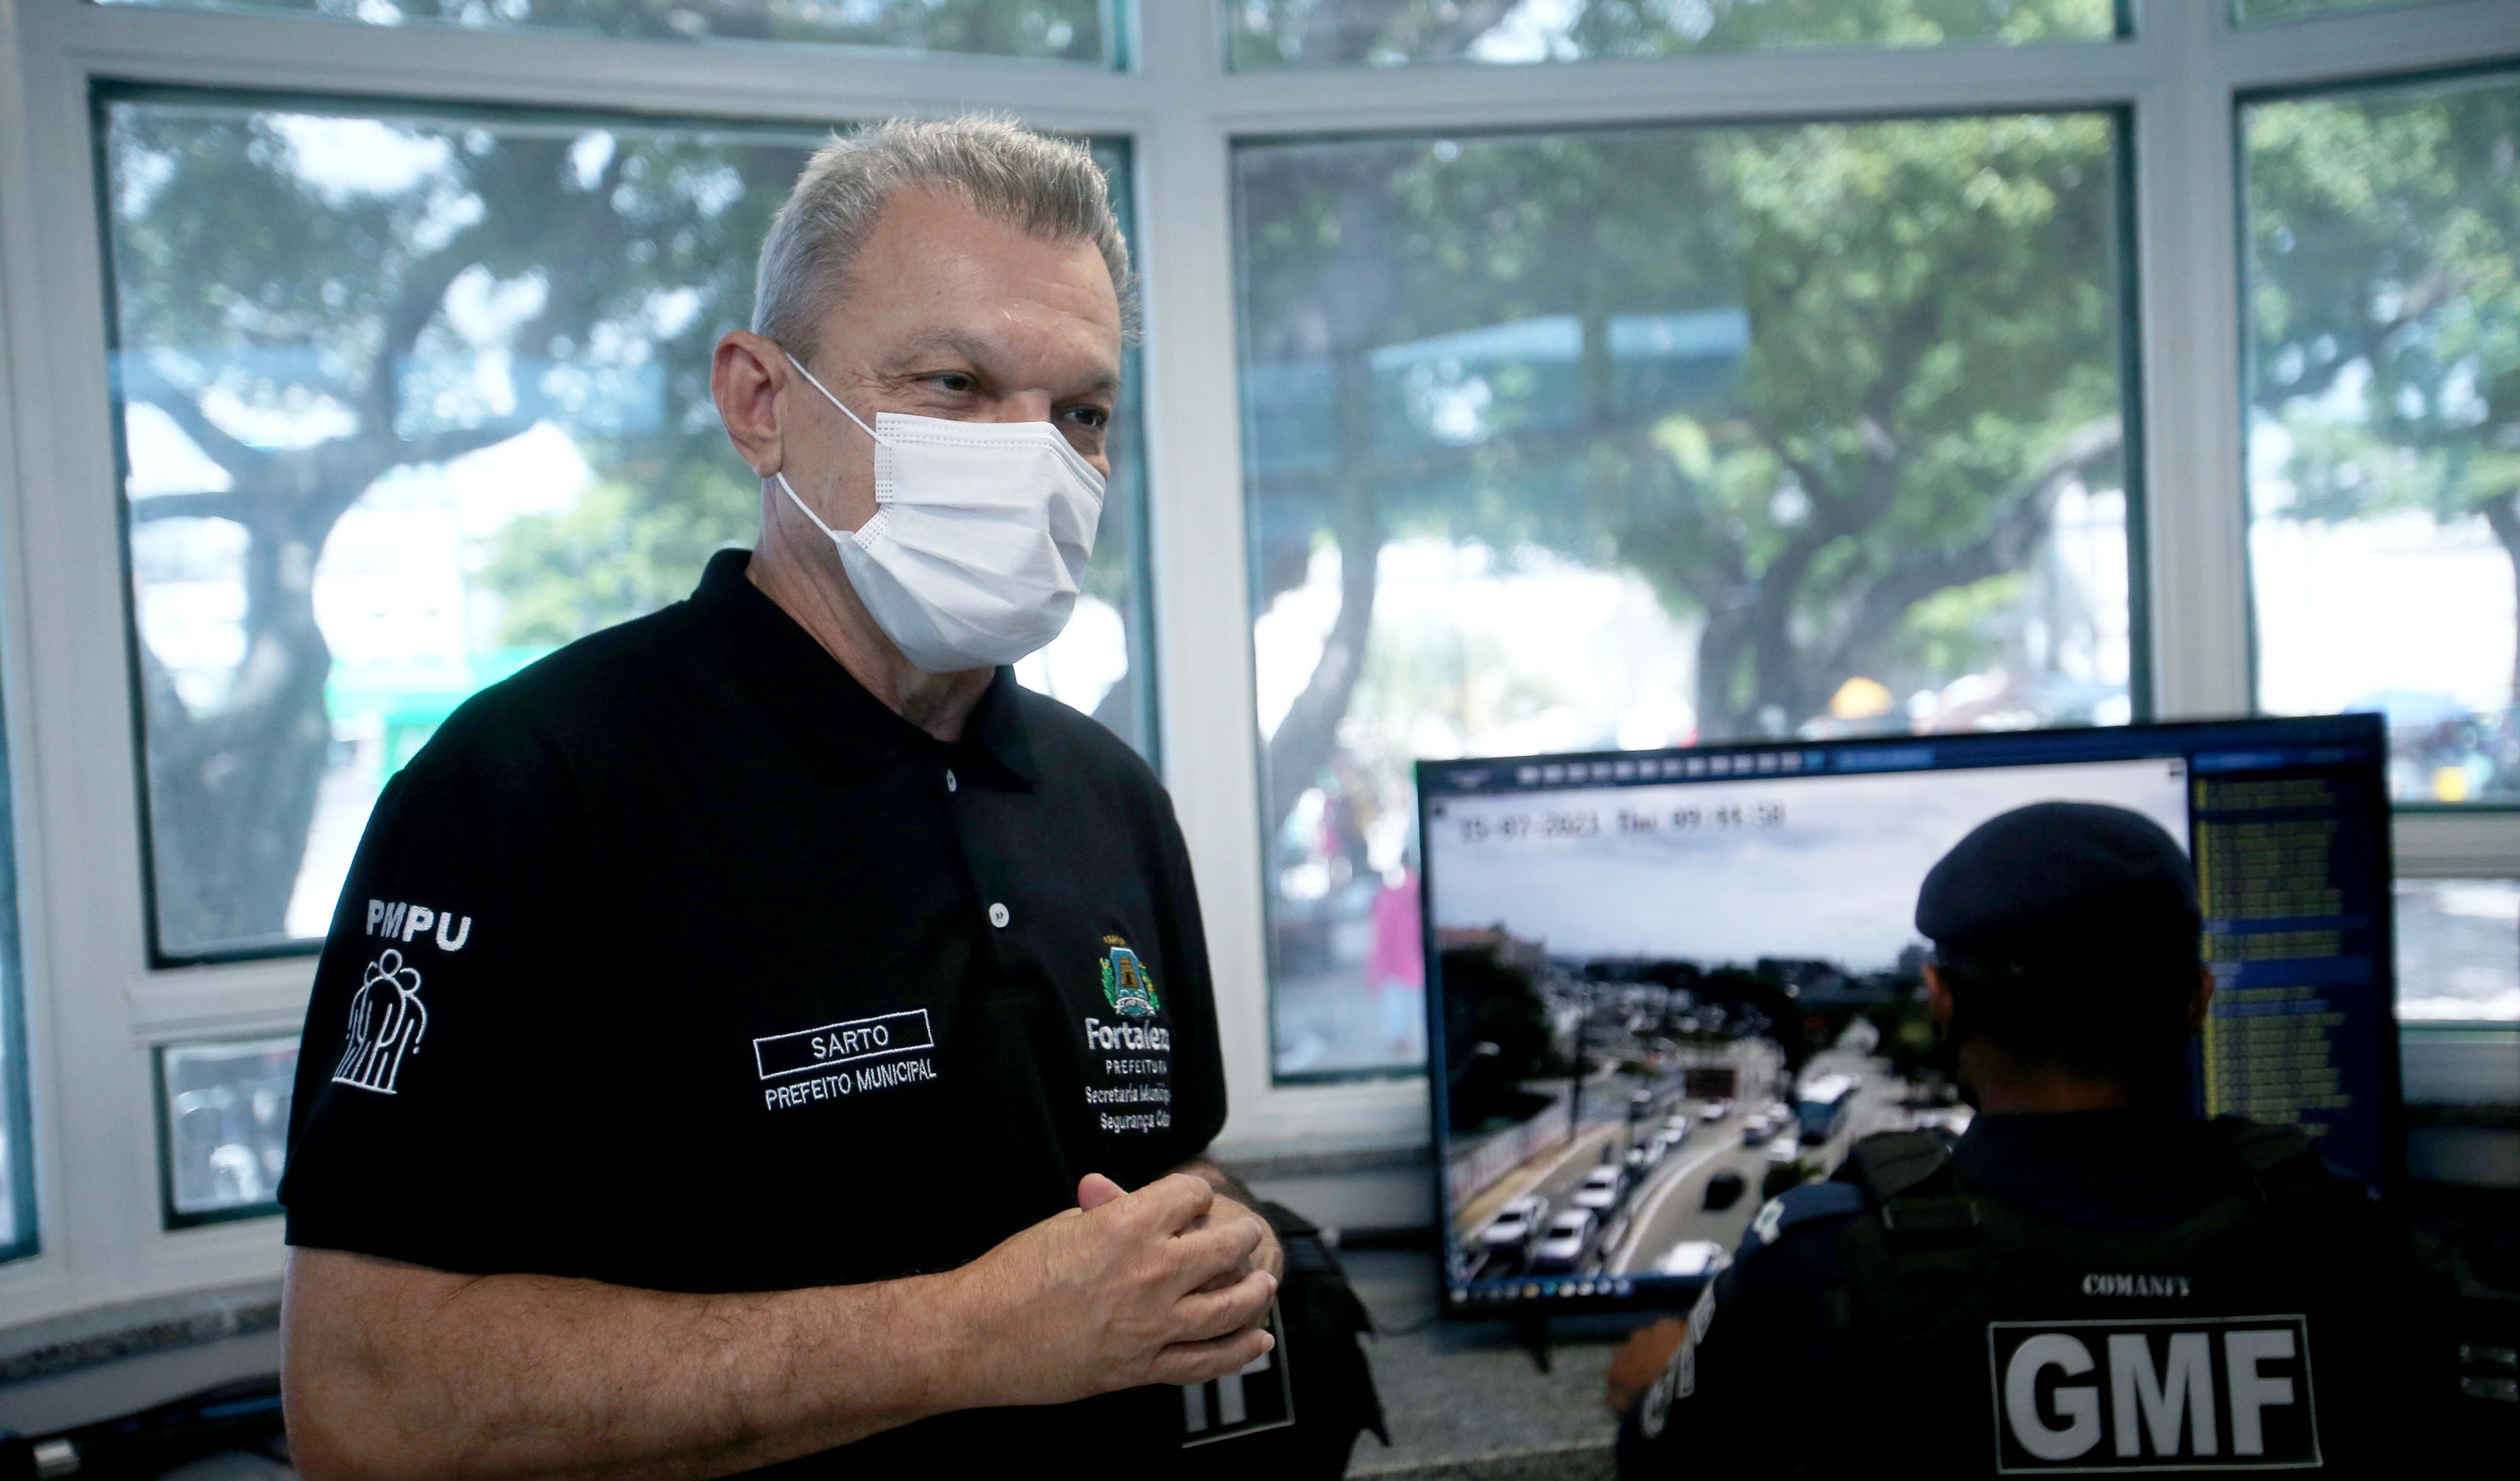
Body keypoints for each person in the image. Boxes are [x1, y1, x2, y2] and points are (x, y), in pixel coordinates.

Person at [279, 117, 1320, 1477]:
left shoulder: (1105, 795)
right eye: (955, 383)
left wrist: (1215, 1234)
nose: (1036, 459)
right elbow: (365, 1398)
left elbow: (1164, 1174)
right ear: (761, 402)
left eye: (1081, 412)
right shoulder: (535, 785)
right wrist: (967, 1334)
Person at [1611, 801, 2446, 1476]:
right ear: (2197, 999)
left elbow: (1664, 1464)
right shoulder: (2362, 1246)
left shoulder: (1816, 1261)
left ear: (1941, 996)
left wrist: (1656, 1381)